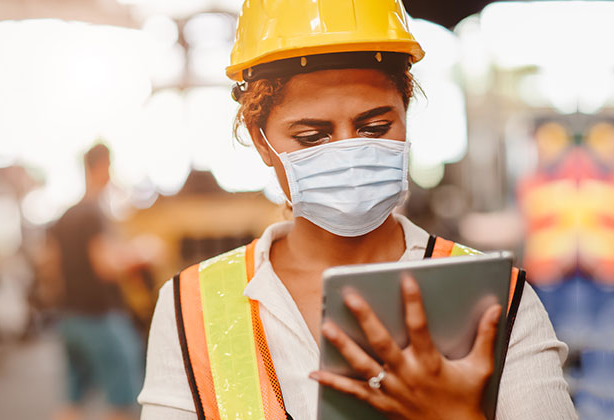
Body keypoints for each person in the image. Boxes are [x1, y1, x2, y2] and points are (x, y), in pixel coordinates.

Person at [137, 1, 576, 419]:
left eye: (374, 128)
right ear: (260, 140)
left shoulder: (498, 299)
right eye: (312, 137)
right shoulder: (192, 307)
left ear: (406, 113)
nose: (348, 153)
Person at [49, 144, 143, 420]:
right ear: (102, 166)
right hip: (100, 316)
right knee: (122, 401)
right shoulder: (94, 214)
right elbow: (105, 266)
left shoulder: (65, 216)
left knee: (71, 400)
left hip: (70, 316)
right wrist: (139, 255)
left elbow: (51, 269)